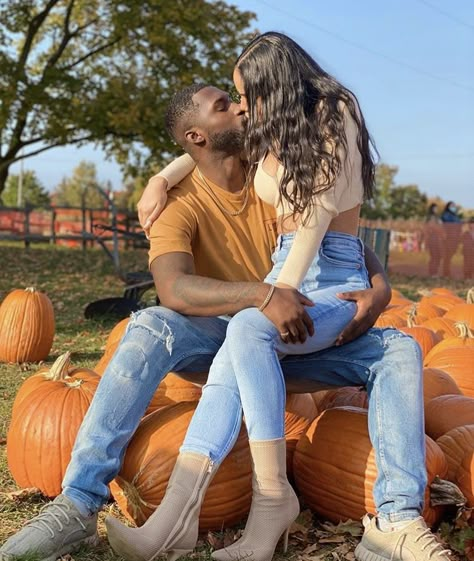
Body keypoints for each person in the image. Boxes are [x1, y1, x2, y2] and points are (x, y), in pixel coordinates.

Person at [105, 34, 450, 561]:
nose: (242, 107)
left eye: (244, 95)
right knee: (235, 352)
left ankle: (283, 502)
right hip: (287, 269)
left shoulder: (335, 112)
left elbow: (314, 219)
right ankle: (174, 522)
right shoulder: (276, 128)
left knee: (247, 327)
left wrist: (279, 292)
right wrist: (161, 176)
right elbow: (205, 147)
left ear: (276, 83)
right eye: (233, 101)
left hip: (330, 271)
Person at [440, 201, 462, 278]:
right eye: (452, 206)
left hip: (455, 238)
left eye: (454, 206)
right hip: (448, 238)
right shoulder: (446, 215)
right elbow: (448, 224)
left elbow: (459, 224)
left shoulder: (455, 216)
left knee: (450, 256)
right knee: (447, 256)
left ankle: (447, 271)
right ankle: (446, 272)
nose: (454, 207)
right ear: (448, 206)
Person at [424, 203, 443, 276]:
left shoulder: (437, 217)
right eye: (435, 208)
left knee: (438, 256)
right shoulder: (431, 217)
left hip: (437, 239)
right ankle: (432, 272)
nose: (437, 210)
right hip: (433, 239)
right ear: (432, 209)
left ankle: (434, 272)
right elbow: (433, 227)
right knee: (435, 256)